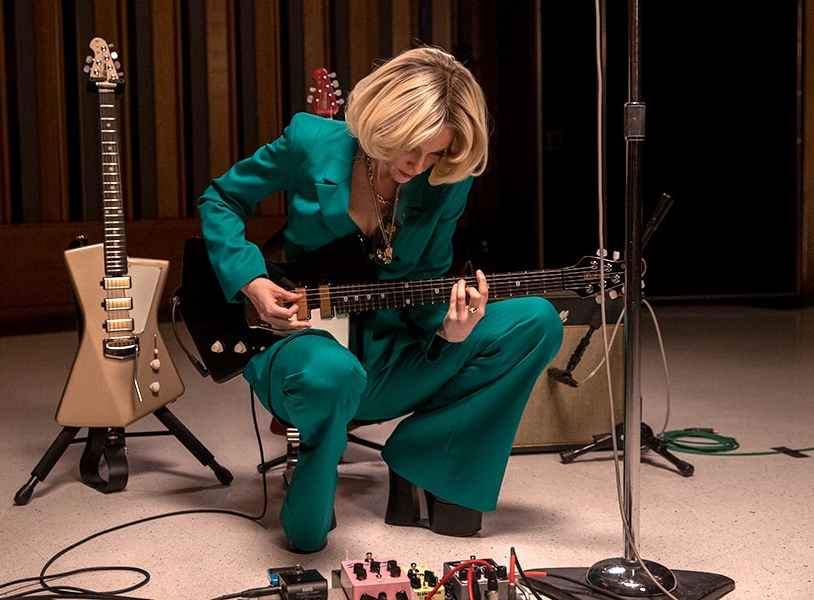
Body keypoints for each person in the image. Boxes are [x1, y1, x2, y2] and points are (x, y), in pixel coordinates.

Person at [198, 46, 563, 553]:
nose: (420, 165)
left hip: (391, 356)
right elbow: (220, 199)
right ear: (384, 120)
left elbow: (429, 285)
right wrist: (251, 281)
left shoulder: (443, 184)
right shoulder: (310, 141)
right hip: (302, 350)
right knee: (307, 530)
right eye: (412, 148)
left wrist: (448, 330)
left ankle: (421, 460)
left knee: (536, 320)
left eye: (437, 152)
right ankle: (315, 453)